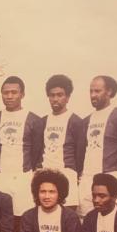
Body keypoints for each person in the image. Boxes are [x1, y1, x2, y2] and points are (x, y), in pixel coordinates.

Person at [0, 76, 44, 232]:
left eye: (14, 92)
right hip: (0, 175)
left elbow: (37, 150)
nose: (10, 96)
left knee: (22, 223)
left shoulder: (34, 119)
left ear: (22, 94)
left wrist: (30, 171)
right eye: (6, 92)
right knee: (1, 223)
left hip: (23, 176)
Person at [78, 75, 117, 215]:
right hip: (88, 178)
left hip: (111, 177)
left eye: (97, 91)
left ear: (109, 91)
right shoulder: (87, 120)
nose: (93, 95)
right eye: (91, 91)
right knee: (86, 220)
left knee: (111, 220)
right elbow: (81, 152)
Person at [41, 74, 84, 208]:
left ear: (68, 97)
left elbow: (80, 152)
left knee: (67, 215)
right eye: (52, 95)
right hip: (46, 174)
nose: (55, 99)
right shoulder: (42, 121)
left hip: (67, 175)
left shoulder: (76, 121)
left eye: (60, 95)